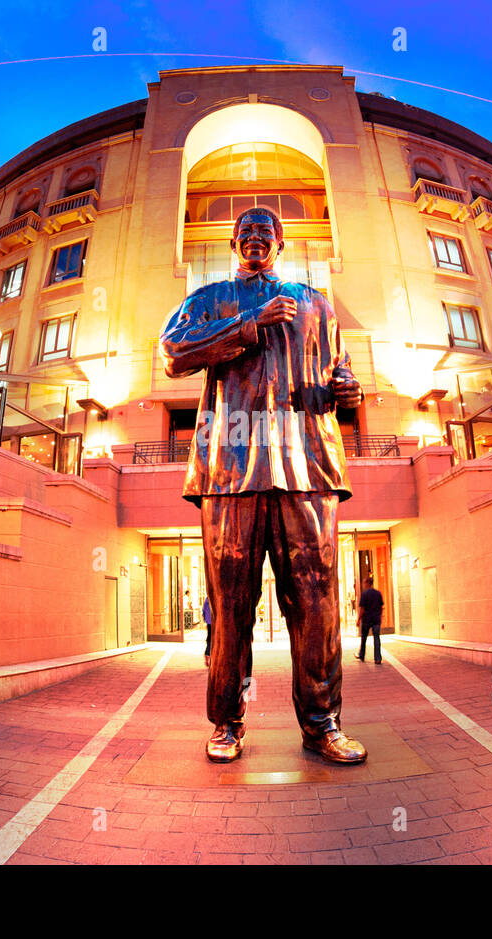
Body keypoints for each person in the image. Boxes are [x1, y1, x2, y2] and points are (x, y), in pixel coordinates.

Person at [160, 206, 367, 765]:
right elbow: (175, 353)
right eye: (245, 232)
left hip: (306, 465)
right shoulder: (208, 299)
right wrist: (248, 325)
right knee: (230, 603)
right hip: (231, 468)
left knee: (318, 600)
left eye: (265, 232)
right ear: (234, 241)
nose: (255, 238)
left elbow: (337, 371)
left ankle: (322, 724)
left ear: (281, 242)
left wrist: (348, 393)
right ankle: (227, 721)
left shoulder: (318, 303)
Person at [355, 576, 384, 665]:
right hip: (376, 619)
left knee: (364, 638)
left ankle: (362, 655)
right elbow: (381, 607)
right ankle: (377, 658)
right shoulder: (378, 593)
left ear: (367, 583)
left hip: (367, 619)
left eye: (364, 583)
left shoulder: (364, 594)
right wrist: (380, 616)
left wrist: (358, 619)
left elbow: (362, 608)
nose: (363, 585)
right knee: (377, 638)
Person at [202, 595, 212, 668]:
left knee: (209, 639)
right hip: (214, 623)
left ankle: (207, 657)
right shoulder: (216, 597)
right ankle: (208, 656)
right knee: (211, 640)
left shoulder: (207, 599)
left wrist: (205, 619)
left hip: (209, 622)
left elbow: (204, 611)